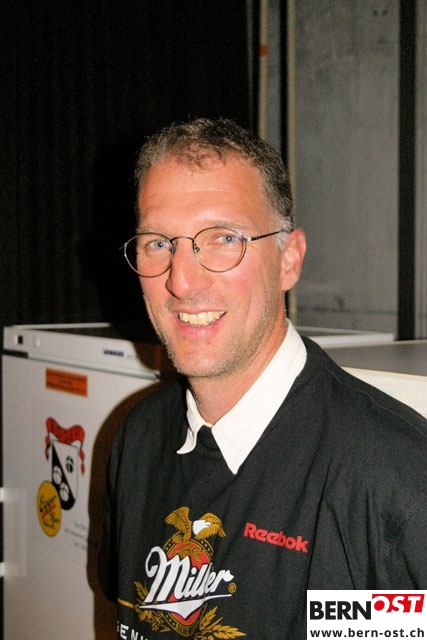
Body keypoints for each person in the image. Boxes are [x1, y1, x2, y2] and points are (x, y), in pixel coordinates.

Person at [99, 118, 427, 639]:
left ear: (288, 260)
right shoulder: (137, 436)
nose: (182, 281)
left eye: (224, 238)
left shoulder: (395, 477)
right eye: (158, 243)